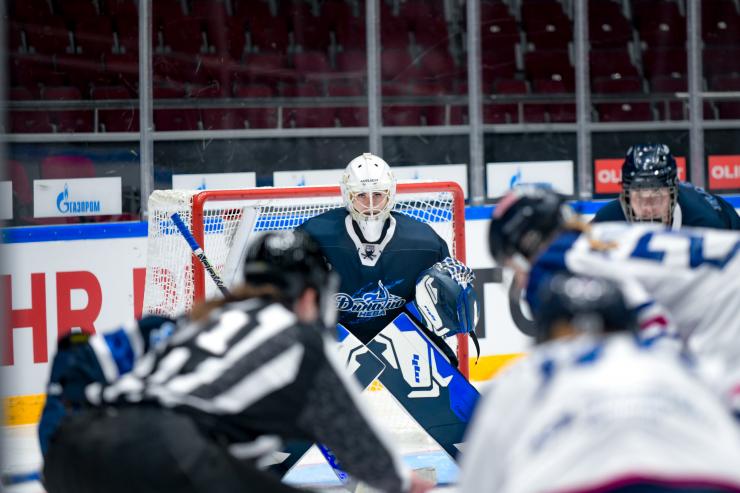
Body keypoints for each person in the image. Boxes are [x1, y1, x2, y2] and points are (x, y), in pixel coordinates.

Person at [40, 230, 434, 493]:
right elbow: (353, 440)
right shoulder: (299, 339)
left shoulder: (194, 321)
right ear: (312, 294)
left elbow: (78, 353)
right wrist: (404, 482)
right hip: (168, 455)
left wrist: (59, 440)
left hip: (73, 452)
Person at [459, 273, 740, 493]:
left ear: (544, 335)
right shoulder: (678, 361)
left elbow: (480, 480)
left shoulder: (529, 372)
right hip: (708, 479)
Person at [489, 186, 740, 416]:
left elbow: (654, 323)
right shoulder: (596, 236)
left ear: (526, 244)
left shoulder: (556, 262)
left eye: (511, 262)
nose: (518, 279)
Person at [295, 152, 478, 356]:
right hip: (334, 341)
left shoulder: (424, 241)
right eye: (362, 195)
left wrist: (455, 297)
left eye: (378, 195)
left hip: (403, 343)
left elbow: (447, 299)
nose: (371, 205)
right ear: (348, 196)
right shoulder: (314, 236)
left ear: (390, 194)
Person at [592, 143, 740, 229]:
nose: (648, 209)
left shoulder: (706, 224)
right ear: (626, 195)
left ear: (673, 194)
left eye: (656, 199)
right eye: (639, 199)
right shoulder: (606, 220)